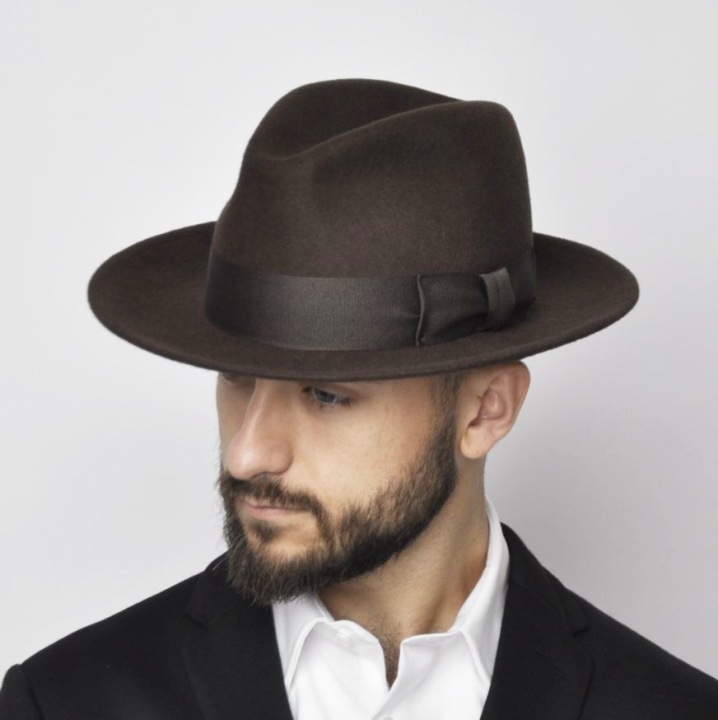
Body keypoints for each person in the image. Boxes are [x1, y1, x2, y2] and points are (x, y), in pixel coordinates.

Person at [1, 78, 716, 720]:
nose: (247, 454)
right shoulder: (65, 703)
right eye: (237, 378)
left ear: (485, 410)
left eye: (325, 396)